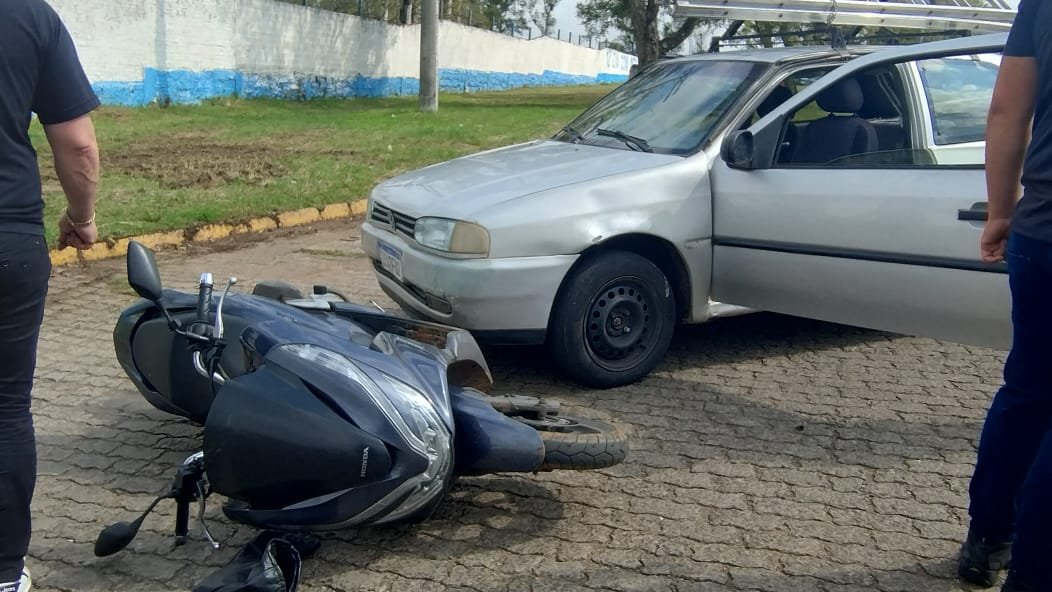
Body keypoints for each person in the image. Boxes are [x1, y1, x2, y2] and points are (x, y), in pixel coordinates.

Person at [0, 2, 101, 591]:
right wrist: (82, 217)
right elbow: (79, 145)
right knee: (5, 409)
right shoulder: (28, 15)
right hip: (7, 238)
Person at [958, 1, 1052, 590]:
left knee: (1028, 391)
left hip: (1042, 230)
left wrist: (1001, 212)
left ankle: (987, 538)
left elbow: (1006, 110)